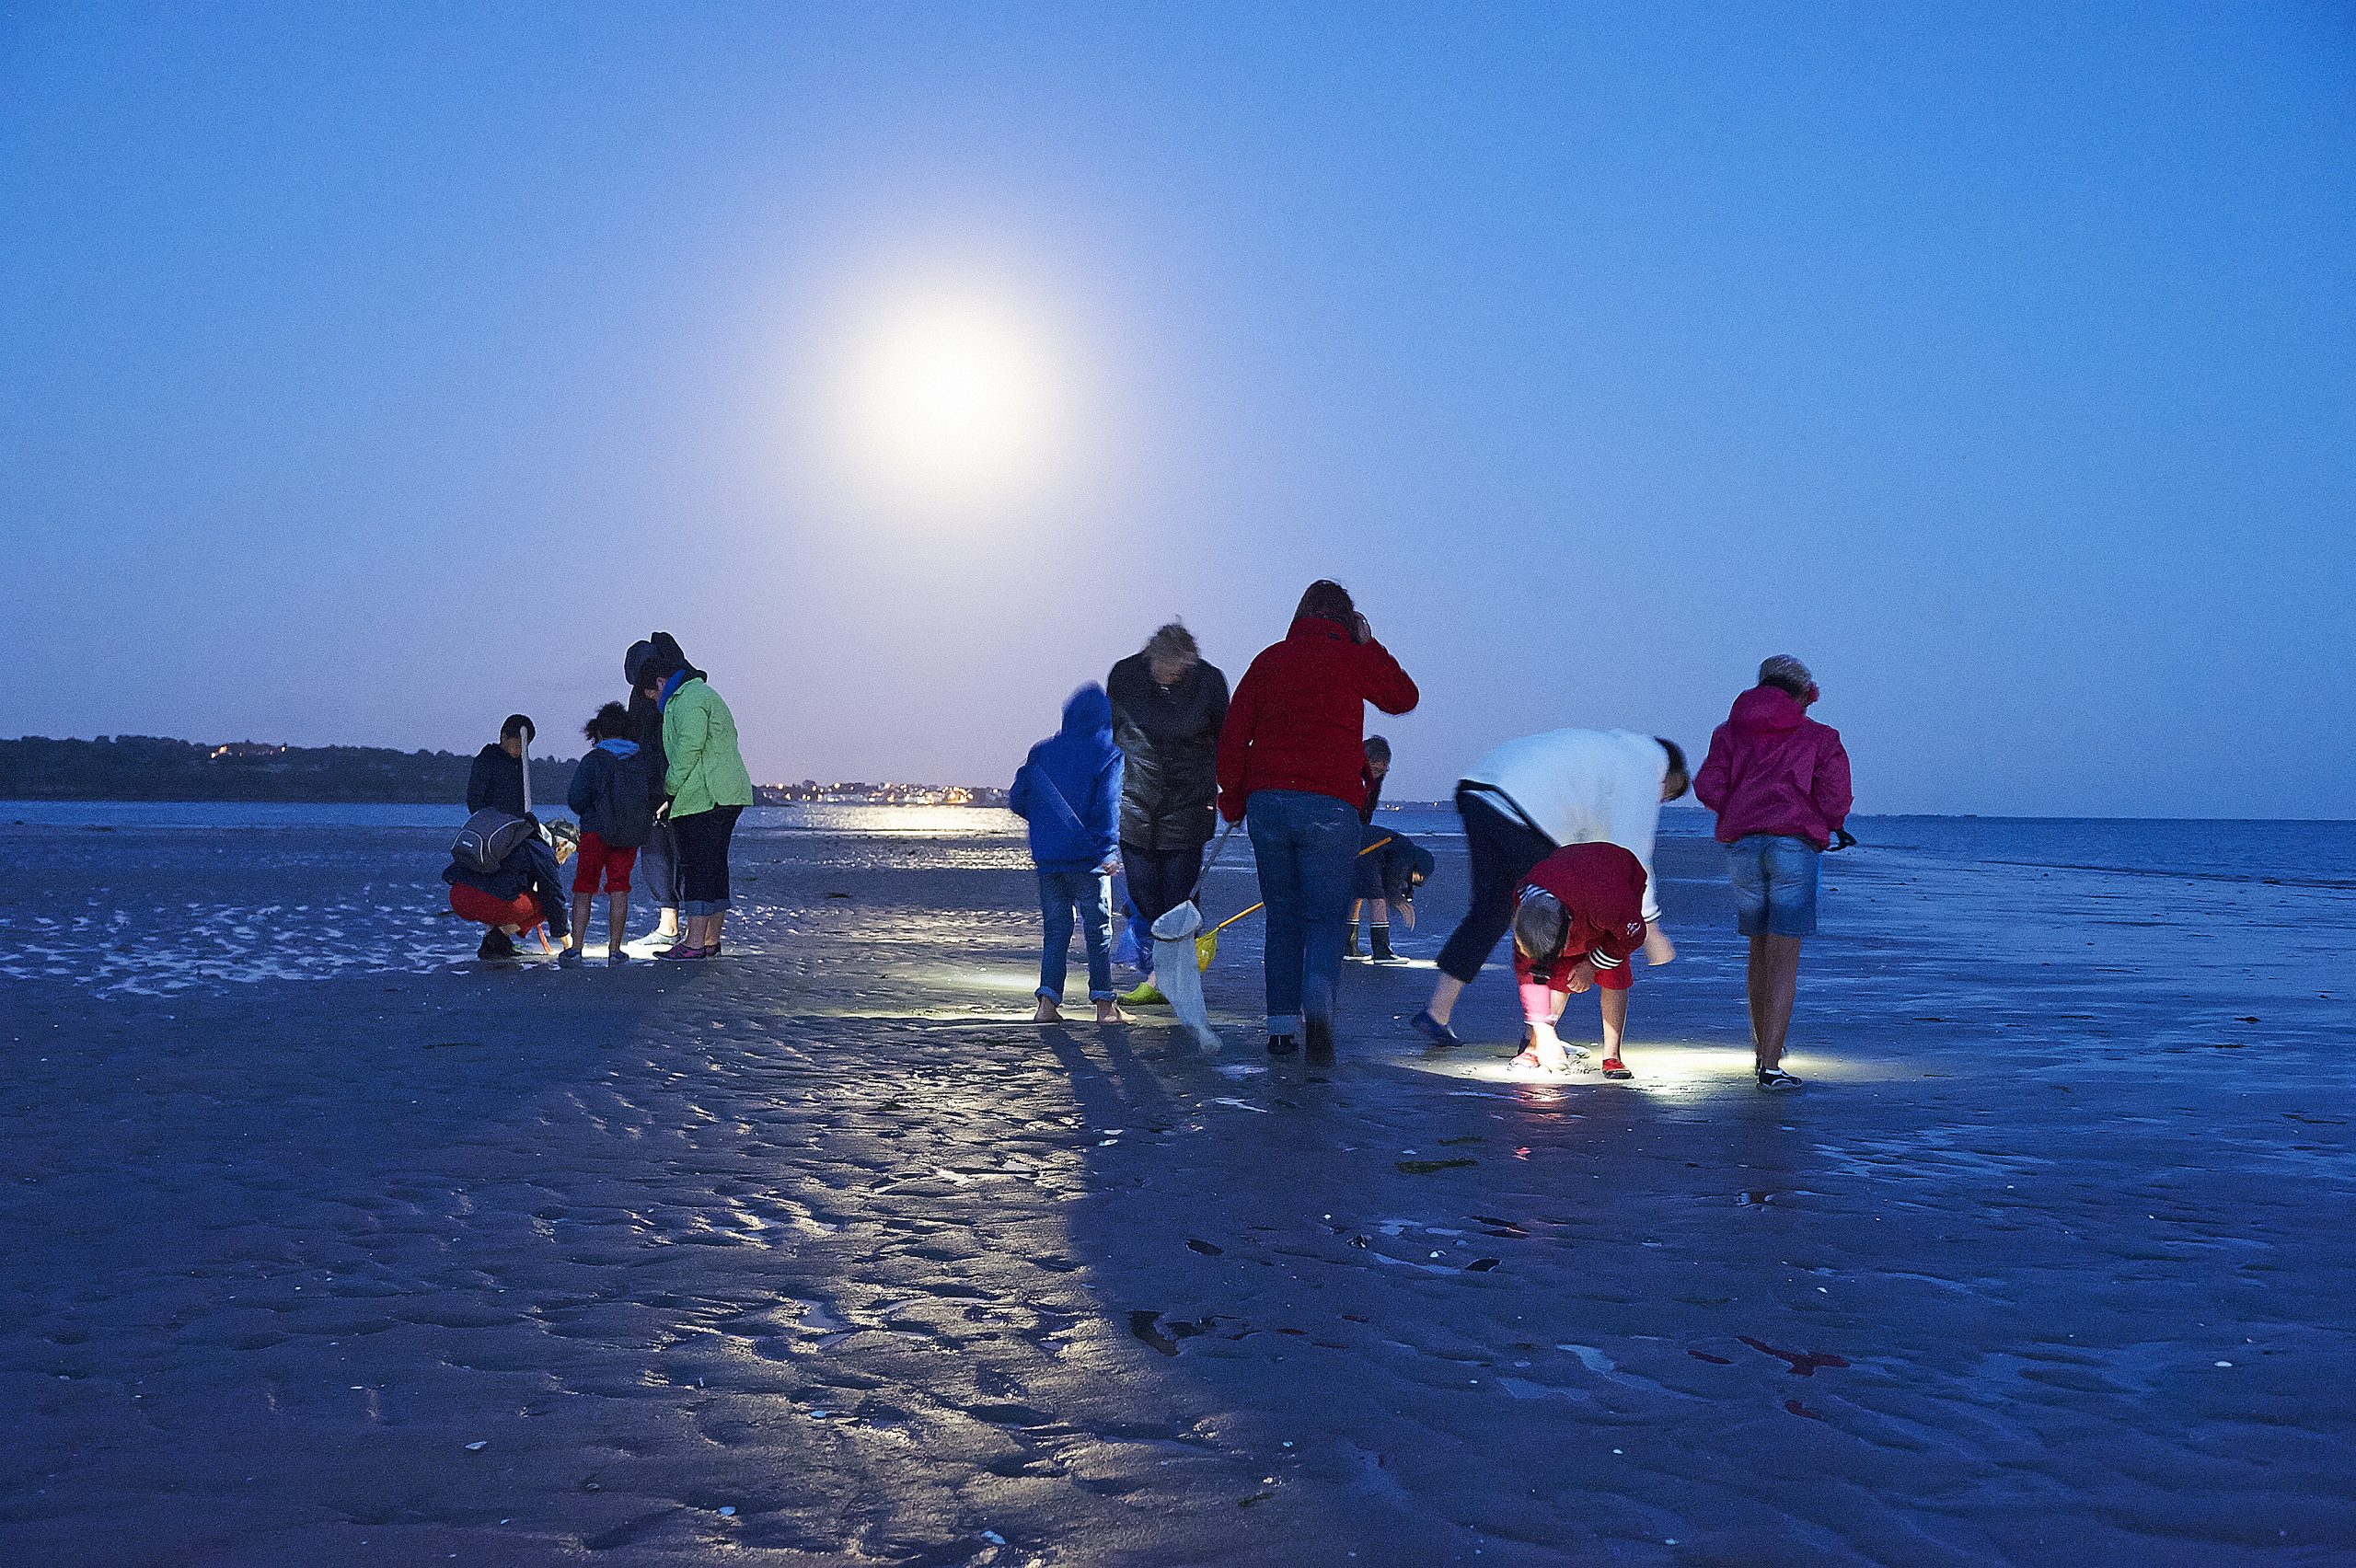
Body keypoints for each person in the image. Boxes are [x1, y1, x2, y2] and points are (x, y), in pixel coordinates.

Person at [1216, 580, 1418, 1059]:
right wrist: (1370, 647)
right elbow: (1403, 697)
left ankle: (1281, 1027)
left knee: (1282, 914)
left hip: (1269, 803)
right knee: (1326, 914)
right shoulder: (1351, 659)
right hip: (1331, 805)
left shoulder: (1270, 660)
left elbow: (1233, 734)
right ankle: (1319, 1004)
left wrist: (1234, 796)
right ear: (1347, 621)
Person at [1414, 730, 1687, 1078]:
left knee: (1492, 912)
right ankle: (1539, 1038)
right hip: (1527, 810)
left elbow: (1590, 841)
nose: (1661, 801)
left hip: (1480, 790)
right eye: (1669, 794)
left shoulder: (1610, 751)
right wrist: (1650, 925)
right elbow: (1631, 847)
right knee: (1550, 923)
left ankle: (1437, 1012)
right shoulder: (1644, 766)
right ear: (1671, 775)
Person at [1692, 655, 1854, 1091]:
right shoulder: (1820, 736)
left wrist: (1740, 805)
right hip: (1794, 845)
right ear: (1803, 693)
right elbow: (1836, 795)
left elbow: (1708, 787)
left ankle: (1764, 1047)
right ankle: (1769, 1065)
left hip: (1743, 844)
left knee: (1759, 950)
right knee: (1784, 957)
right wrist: (1824, 821)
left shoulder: (1728, 734)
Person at [1106, 622, 1230, 1007]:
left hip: (1190, 805)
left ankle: (1168, 978)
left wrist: (1233, 792)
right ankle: (1161, 971)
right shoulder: (1125, 676)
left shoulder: (1208, 682)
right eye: (1167, 670)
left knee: (1178, 897)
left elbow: (1226, 738)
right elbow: (1108, 734)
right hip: (1134, 802)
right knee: (1143, 896)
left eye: (1180, 672)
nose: (1172, 677)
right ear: (1151, 659)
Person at [1010, 685, 1128, 1025]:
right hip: (1089, 861)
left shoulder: (1041, 752)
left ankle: (1046, 1005)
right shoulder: (1108, 753)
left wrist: (1048, 826)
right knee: (1098, 931)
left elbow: (1019, 798)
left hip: (1049, 861)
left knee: (1056, 930)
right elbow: (1107, 808)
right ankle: (1105, 1008)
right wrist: (1107, 852)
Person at [636, 651, 755, 962]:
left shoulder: (687, 699)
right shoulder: (701, 693)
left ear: (662, 682)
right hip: (725, 794)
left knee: (698, 869)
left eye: (651, 692)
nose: (651, 699)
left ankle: (694, 943)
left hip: (705, 796)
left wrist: (670, 788)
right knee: (715, 868)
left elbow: (690, 746)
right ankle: (711, 940)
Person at [1506, 842, 1650, 1075]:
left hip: (1616, 875)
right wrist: (1544, 1032)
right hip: (1569, 879)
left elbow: (1631, 937)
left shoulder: (1610, 905)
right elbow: (1528, 975)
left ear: (1570, 929)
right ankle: (1535, 1046)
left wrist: (1591, 965)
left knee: (1614, 974)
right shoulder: (1527, 909)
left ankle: (1612, 1056)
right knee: (1554, 973)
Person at [560, 701, 663, 968]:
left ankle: (576, 948)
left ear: (599, 732)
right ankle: (615, 949)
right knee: (619, 888)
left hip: (595, 831)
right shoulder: (640, 760)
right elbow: (652, 795)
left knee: (584, 888)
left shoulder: (594, 760)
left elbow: (576, 799)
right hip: (629, 834)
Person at [624, 635, 696, 949]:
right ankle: (681, 928)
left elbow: (648, 744)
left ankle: (674, 926)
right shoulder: (683, 686)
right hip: (672, 785)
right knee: (675, 855)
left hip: (662, 785)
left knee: (662, 855)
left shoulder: (657, 696)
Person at [444, 821, 571, 960]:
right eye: (568, 854)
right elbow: (553, 898)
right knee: (545, 904)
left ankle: (492, 940)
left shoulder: (514, 835)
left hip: (458, 896)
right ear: (562, 844)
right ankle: (497, 938)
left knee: (499, 887)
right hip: (485, 899)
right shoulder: (542, 849)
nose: (564, 861)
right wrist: (567, 941)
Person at [1346, 735, 1400, 960]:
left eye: (1383, 771)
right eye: (1375, 769)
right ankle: (1381, 950)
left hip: (1360, 832)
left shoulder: (1374, 781)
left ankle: (1349, 946)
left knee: (1357, 891)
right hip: (1348, 832)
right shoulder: (1351, 773)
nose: (1378, 775)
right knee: (1373, 891)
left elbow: (1367, 808)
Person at [1348, 823, 1433, 962]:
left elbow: (1390, 875)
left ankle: (1349, 948)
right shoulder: (1406, 852)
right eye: (1419, 876)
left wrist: (1399, 895)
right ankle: (1382, 952)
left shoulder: (1403, 848)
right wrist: (1398, 900)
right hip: (1366, 854)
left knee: (1358, 895)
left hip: (1358, 850)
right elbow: (1390, 878)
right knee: (1377, 899)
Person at [467, 714, 537, 818]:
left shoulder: (520, 765)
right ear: (504, 737)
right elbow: (474, 799)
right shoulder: (487, 760)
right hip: (492, 825)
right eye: (517, 745)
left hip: (515, 825)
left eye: (524, 747)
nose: (520, 750)